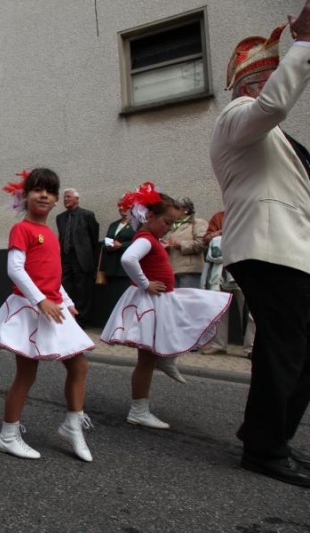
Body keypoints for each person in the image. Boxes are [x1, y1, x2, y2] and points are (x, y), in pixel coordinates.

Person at [210, 7, 310, 487]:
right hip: (269, 248)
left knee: (294, 348)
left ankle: (270, 438)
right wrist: (305, 42)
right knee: (285, 347)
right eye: (269, 77)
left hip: (291, 248)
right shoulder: (235, 116)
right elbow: (272, 106)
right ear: (251, 86)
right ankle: (266, 448)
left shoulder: (275, 139)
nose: (278, 85)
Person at [0, 168, 95, 463]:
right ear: (26, 196)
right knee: (26, 373)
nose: (43, 195)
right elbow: (15, 269)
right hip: (30, 309)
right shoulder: (22, 229)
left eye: (50, 191)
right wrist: (41, 300)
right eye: (37, 189)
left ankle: (72, 425)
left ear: (57, 199)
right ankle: (7, 435)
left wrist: (66, 300)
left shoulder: (50, 232)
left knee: (79, 365)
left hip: (54, 307)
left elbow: (52, 275)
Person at [100, 183, 231, 429]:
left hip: (160, 299)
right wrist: (145, 283)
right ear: (149, 216)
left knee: (167, 336)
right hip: (150, 300)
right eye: (167, 222)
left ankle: (165, 359)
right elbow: (128, 258)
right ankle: (139, 409)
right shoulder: (146, 238)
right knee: (146, 359)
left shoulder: (152, 238)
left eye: (172, 223)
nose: (169, 227)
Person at [199, 211, 255, 356]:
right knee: (220, 309)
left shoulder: (250, 216)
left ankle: (251, 347)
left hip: (245, 268)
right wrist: (217, 233)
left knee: (251, 311)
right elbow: (206, 240)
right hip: (221, 270)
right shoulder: (219, 216)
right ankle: (219, 344)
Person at [55, 188, 99, 324]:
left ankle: (81, 320)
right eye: (64, 198)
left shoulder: (87, 215)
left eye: (68, 197)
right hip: (65, 259)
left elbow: (93, 238)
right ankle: (66, 319)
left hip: (82, 259)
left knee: (82, 291)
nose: (66, 199)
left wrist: (88, 256)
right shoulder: (60, 218)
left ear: (76, 199)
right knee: (64, 288)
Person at [161, 197, 208, 289]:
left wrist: (181, 244)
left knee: (189, 300)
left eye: (176, 208)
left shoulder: (198, 223)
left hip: (189, 270)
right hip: (170, 271)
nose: (173, 212)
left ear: (186, 210)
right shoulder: (170, 225)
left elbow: (202, 243)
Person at [102, 198, 136, 307]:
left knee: (124, 298)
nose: (122, 208)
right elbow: (107, 240)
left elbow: (138, 241)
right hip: (112, 267)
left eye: (125, 206)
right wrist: (109, 246)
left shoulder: (136, 224)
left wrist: (122, 245)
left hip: (125, 269)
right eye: (120, 206)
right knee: (112, 299)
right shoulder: (114, 224)